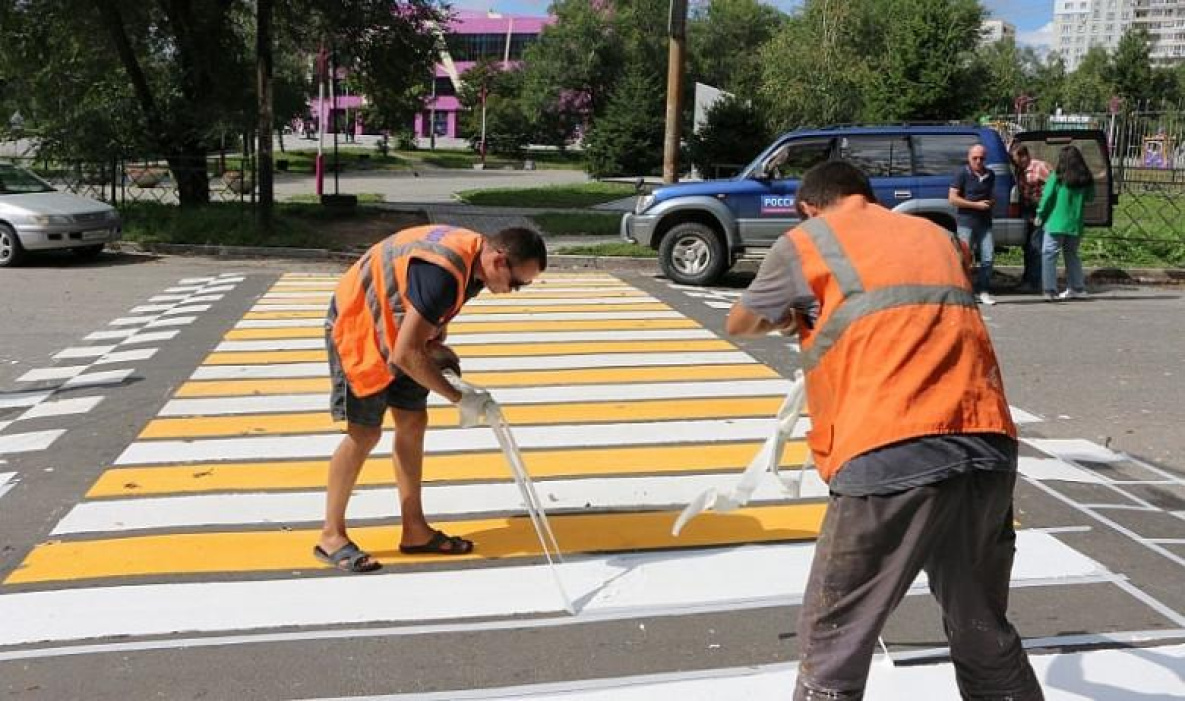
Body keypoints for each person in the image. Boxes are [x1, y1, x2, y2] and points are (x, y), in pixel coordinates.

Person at [727, 161, 1044, 701]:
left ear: (809, 206)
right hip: (985, 441)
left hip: (888, 449)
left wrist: (794, 317)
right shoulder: (935, 234)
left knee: (833, 642)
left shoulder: (807, 240)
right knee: (982, 630)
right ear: (866, 196)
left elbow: (741, 321)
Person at [314, 225, 547, 573]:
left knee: (412, 419)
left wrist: (438, 350)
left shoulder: (476, 265)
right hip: (360, 324)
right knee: (365, 432)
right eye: (517, 283)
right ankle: (330, 535)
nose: (514, 291)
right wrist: (458, 397)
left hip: (400, 329)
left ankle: (415, 530)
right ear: (500, 260)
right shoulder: (446, 272)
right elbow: (406, 353)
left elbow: (425, 318)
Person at [1036, 145, 1095, 302]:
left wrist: (1040, 214)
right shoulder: (1086, 178)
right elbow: (1090, 198)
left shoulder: (1058, 176)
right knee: (1072, 255)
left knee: (1049, 255)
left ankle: (1050, 290)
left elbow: (1047, 197)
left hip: (1055, 222)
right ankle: (1077, 287)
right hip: (1075, 222)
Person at [949, 144, 998, 305]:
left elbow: (991, 195)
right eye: (975, 158)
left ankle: (984, 291)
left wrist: (991, 202)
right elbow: (953, 198)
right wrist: (976, 205)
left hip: (985, 222)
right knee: (964, 258)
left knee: (988, 257)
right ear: (969, 157)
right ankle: (965, 291)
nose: (978, 161)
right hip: (966, 222)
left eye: (981, 158)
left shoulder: (990, 174)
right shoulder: (961, 173)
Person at [1010, 142, 1052, 293]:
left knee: (1035, 246)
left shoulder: (1040, 167)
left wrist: (1043, 208)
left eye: (1015, 159)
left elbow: (1053, 186)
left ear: (1024, 156)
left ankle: (1035, 282)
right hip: (1027, 210)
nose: (1015, 162)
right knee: (1028, 247)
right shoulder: (1020, 171)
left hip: (1040, 210)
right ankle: (1028, 279)